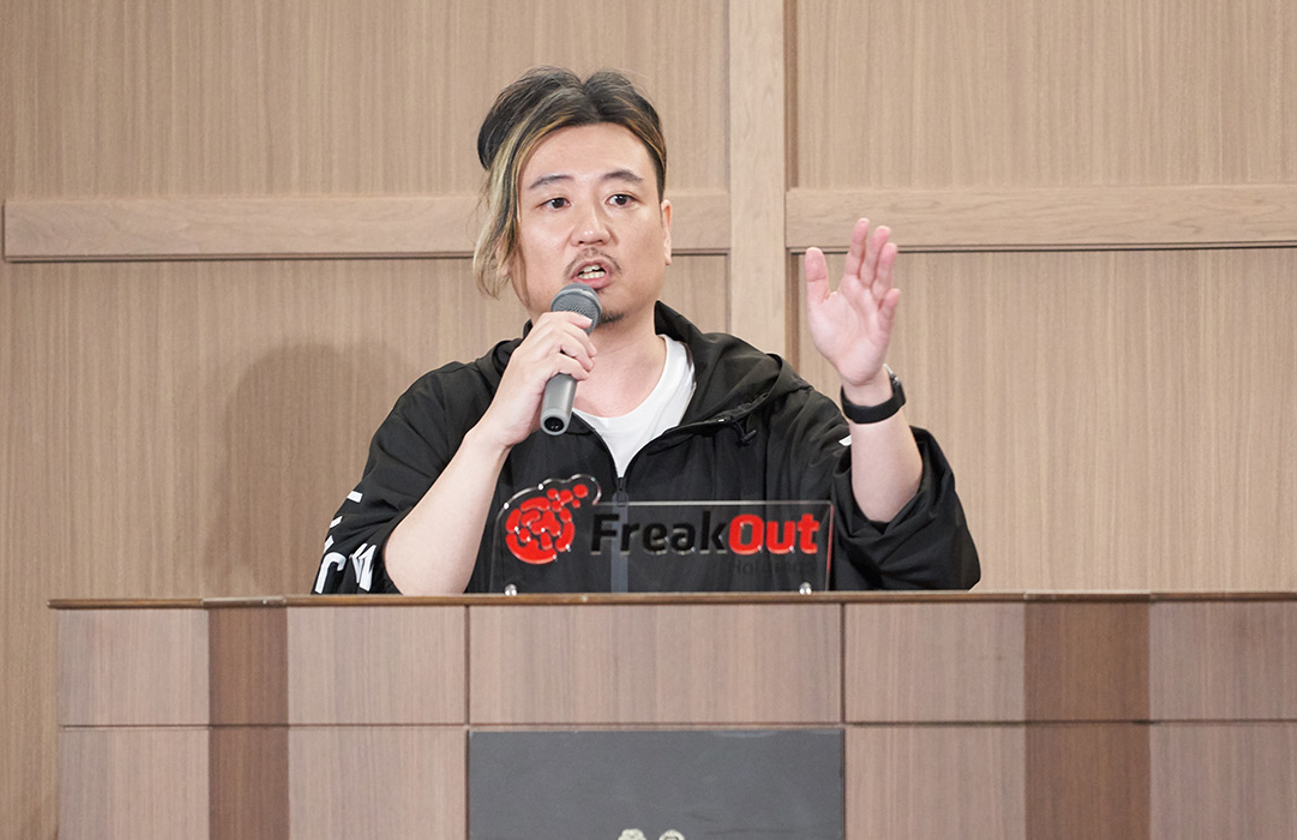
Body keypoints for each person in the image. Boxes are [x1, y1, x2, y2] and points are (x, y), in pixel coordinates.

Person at [312, 67, 978, 595]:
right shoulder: (448, 414)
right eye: (555, 201)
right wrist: (490, 440)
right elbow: (366, 612)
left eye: (621, 198)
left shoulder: (758, 405)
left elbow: (908, 559)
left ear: (664, 231)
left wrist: (867, 390)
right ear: (509, 247)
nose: (592, 229)